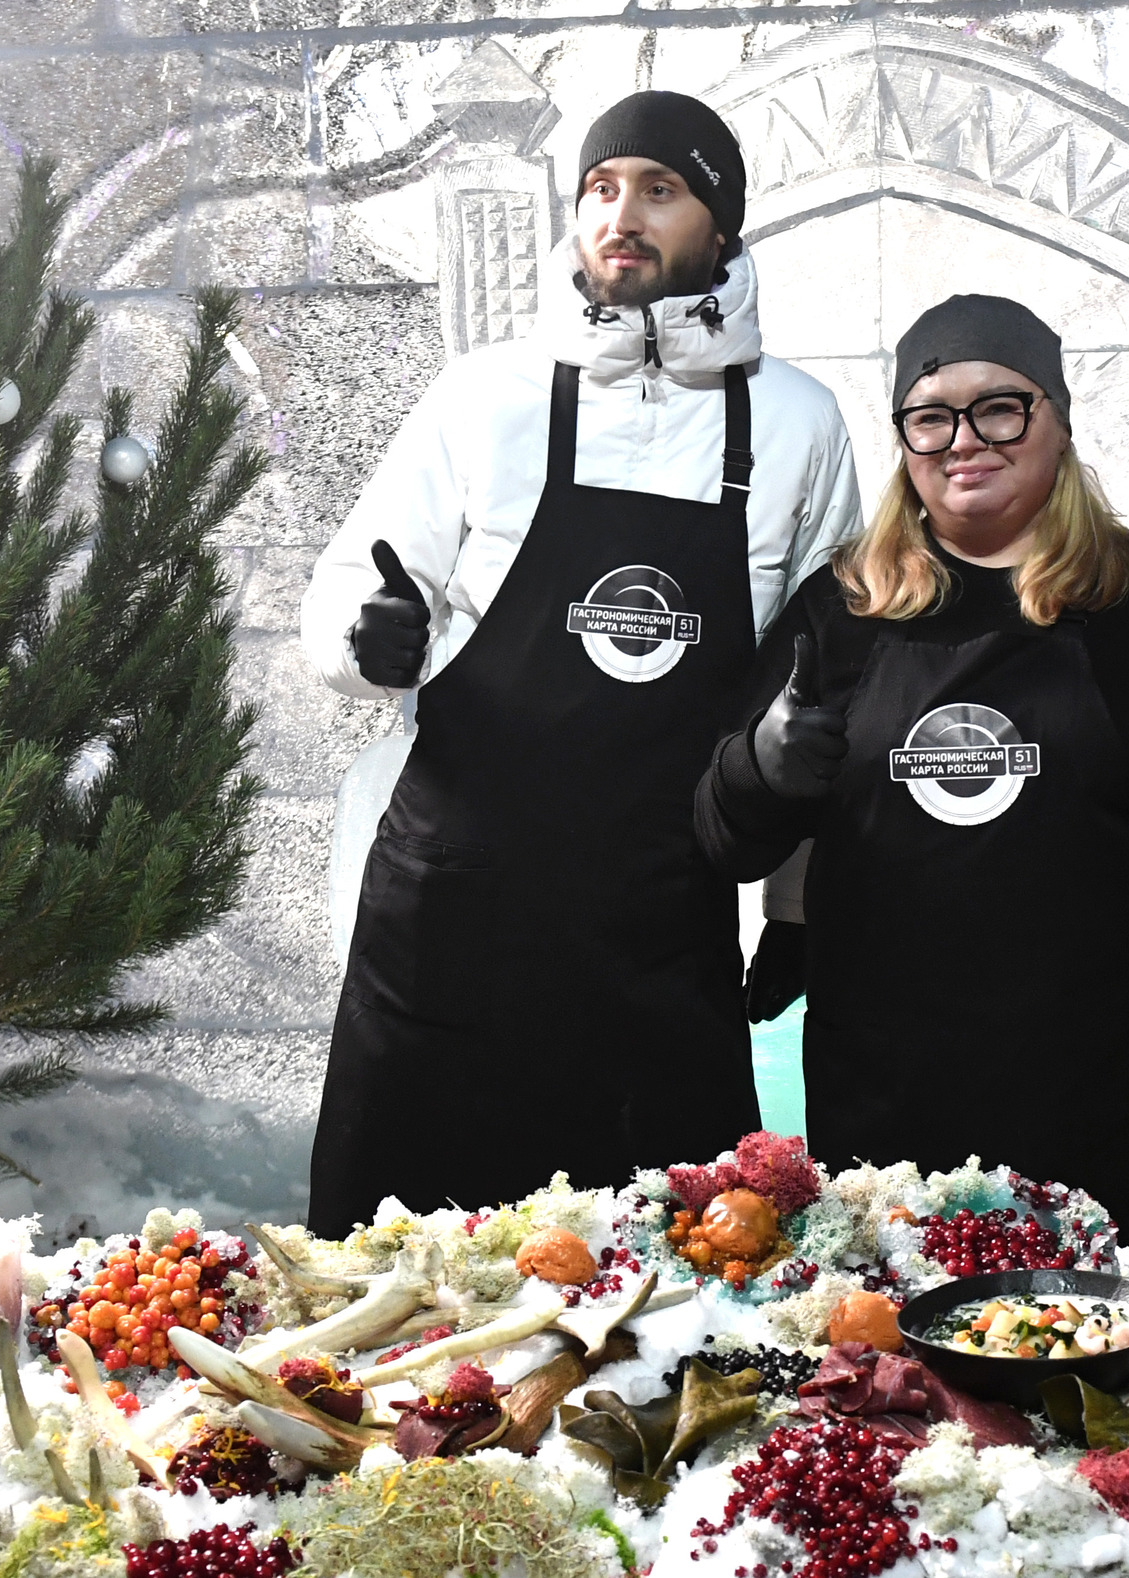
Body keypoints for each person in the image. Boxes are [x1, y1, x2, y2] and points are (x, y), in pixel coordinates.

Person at [299, 91, 862, 1237]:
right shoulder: (481, 400)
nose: (622, 214)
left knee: (662, 1305)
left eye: (659, 189)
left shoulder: (799, 424)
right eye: (601, 190)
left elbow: (824, 692)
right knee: (400, 1286)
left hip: (660, 934)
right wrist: (367, 642)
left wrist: (797, 911)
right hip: (451, 926)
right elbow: (353, 586)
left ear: (720, 221)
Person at [694, 296, 1129, 1243]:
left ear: (1059, 418)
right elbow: (718, 833)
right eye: (931, 416)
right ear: (905, 440)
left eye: (1002, 406)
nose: (966, 440)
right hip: (887, 1099)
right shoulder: (842, 608)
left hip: (1096, 1088)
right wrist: (764, 767)